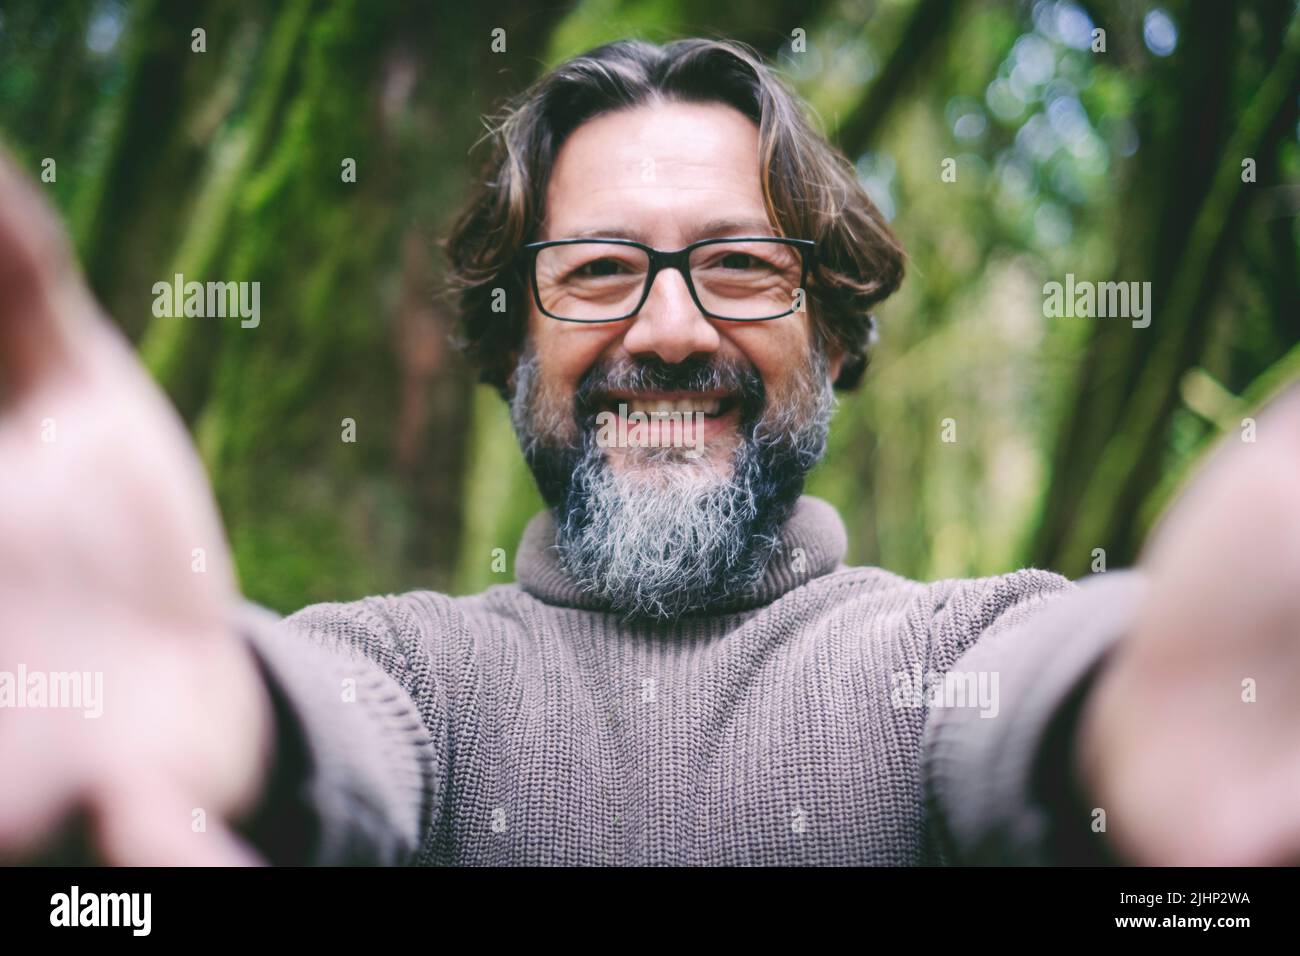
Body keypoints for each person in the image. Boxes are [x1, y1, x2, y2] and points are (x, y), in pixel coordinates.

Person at [1, 38, 1296, 867]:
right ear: (512, 345)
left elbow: (1054, 703)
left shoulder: (961, 653)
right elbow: (322, 733)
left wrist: (1151, 712)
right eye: (601, 270)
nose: (669, 329)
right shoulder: (412, 675)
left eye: (737, 265)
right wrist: (206, 712)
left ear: (835, 333)